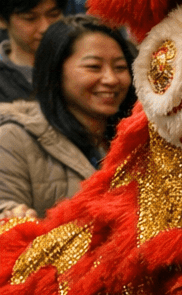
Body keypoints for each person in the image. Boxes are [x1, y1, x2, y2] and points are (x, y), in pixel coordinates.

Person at [0, 14, 135, 220]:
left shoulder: (137, 138)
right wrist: (14, 216)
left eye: (120, 68)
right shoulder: (14, 139)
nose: (111, 79)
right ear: (55, 70)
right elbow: (6, 210)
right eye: (93, 67)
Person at [0, 0, 66, 103]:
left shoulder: (79, 63)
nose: (46, 27)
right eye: (30, 18)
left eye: (53, 15)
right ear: (2, 20)